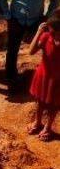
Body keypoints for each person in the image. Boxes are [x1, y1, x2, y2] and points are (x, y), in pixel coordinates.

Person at [27, 13, 60, 141]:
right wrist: (38, 32)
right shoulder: (46, 37)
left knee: (55, 104)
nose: (48, 30)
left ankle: (48, 127)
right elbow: (31, 51)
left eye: (50, 29)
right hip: (44, 75)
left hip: (57, 79)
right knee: (40, 101)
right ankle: (37, 122)